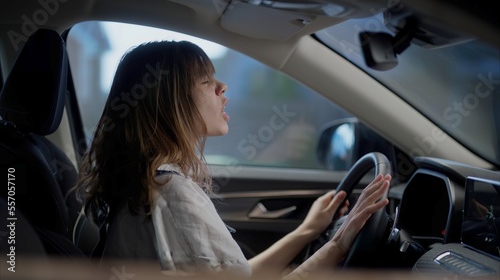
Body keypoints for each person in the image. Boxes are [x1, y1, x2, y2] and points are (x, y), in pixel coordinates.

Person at [73, 40, 391, 278]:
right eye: (206, 81)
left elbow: (238, 274)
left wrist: (308, 230)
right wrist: (340, 242)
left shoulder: (151, 182)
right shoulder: (170, 191)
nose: (223, 87)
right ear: (170, 102)